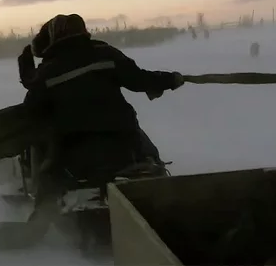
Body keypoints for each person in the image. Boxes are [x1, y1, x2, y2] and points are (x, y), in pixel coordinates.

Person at [16, 14, 184, 236]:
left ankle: (42, 212)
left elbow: (32, 111)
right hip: (122, 133)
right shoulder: (105, 54)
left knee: (48, 169)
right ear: (84, 32)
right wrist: (170, 80)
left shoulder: (48, 71)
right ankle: (154, 173)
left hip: (73, 142)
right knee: (147, 150)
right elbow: (139, 79)